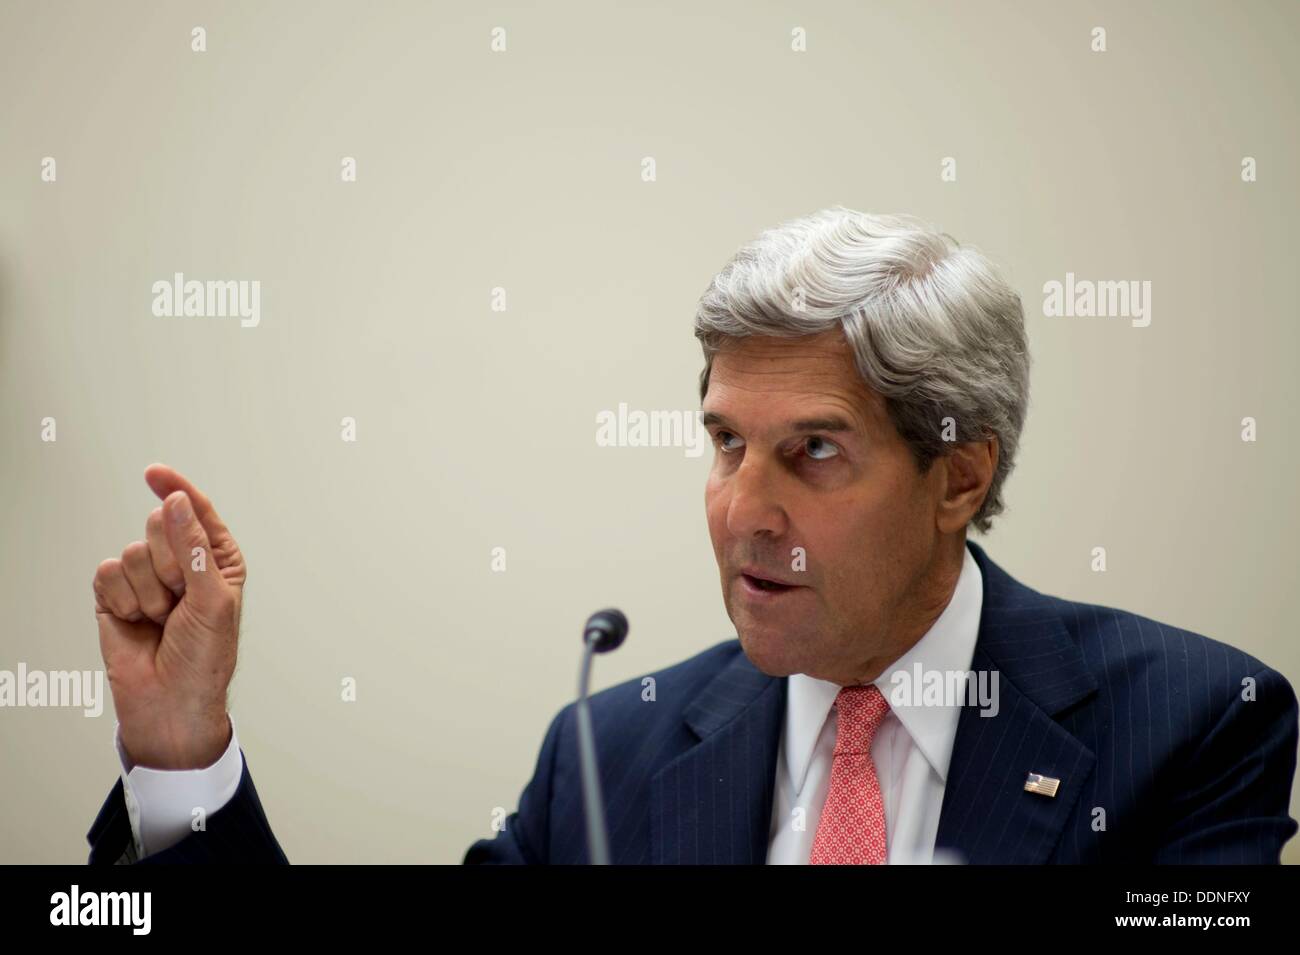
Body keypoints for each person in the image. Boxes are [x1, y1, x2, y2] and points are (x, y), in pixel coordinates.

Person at [86, 209, 1299, 864]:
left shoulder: (1189, 725)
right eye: (725, 443)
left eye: (811, 451)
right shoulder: (607, 759)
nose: (743, 509)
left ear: (957, 475)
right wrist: (182, 751)